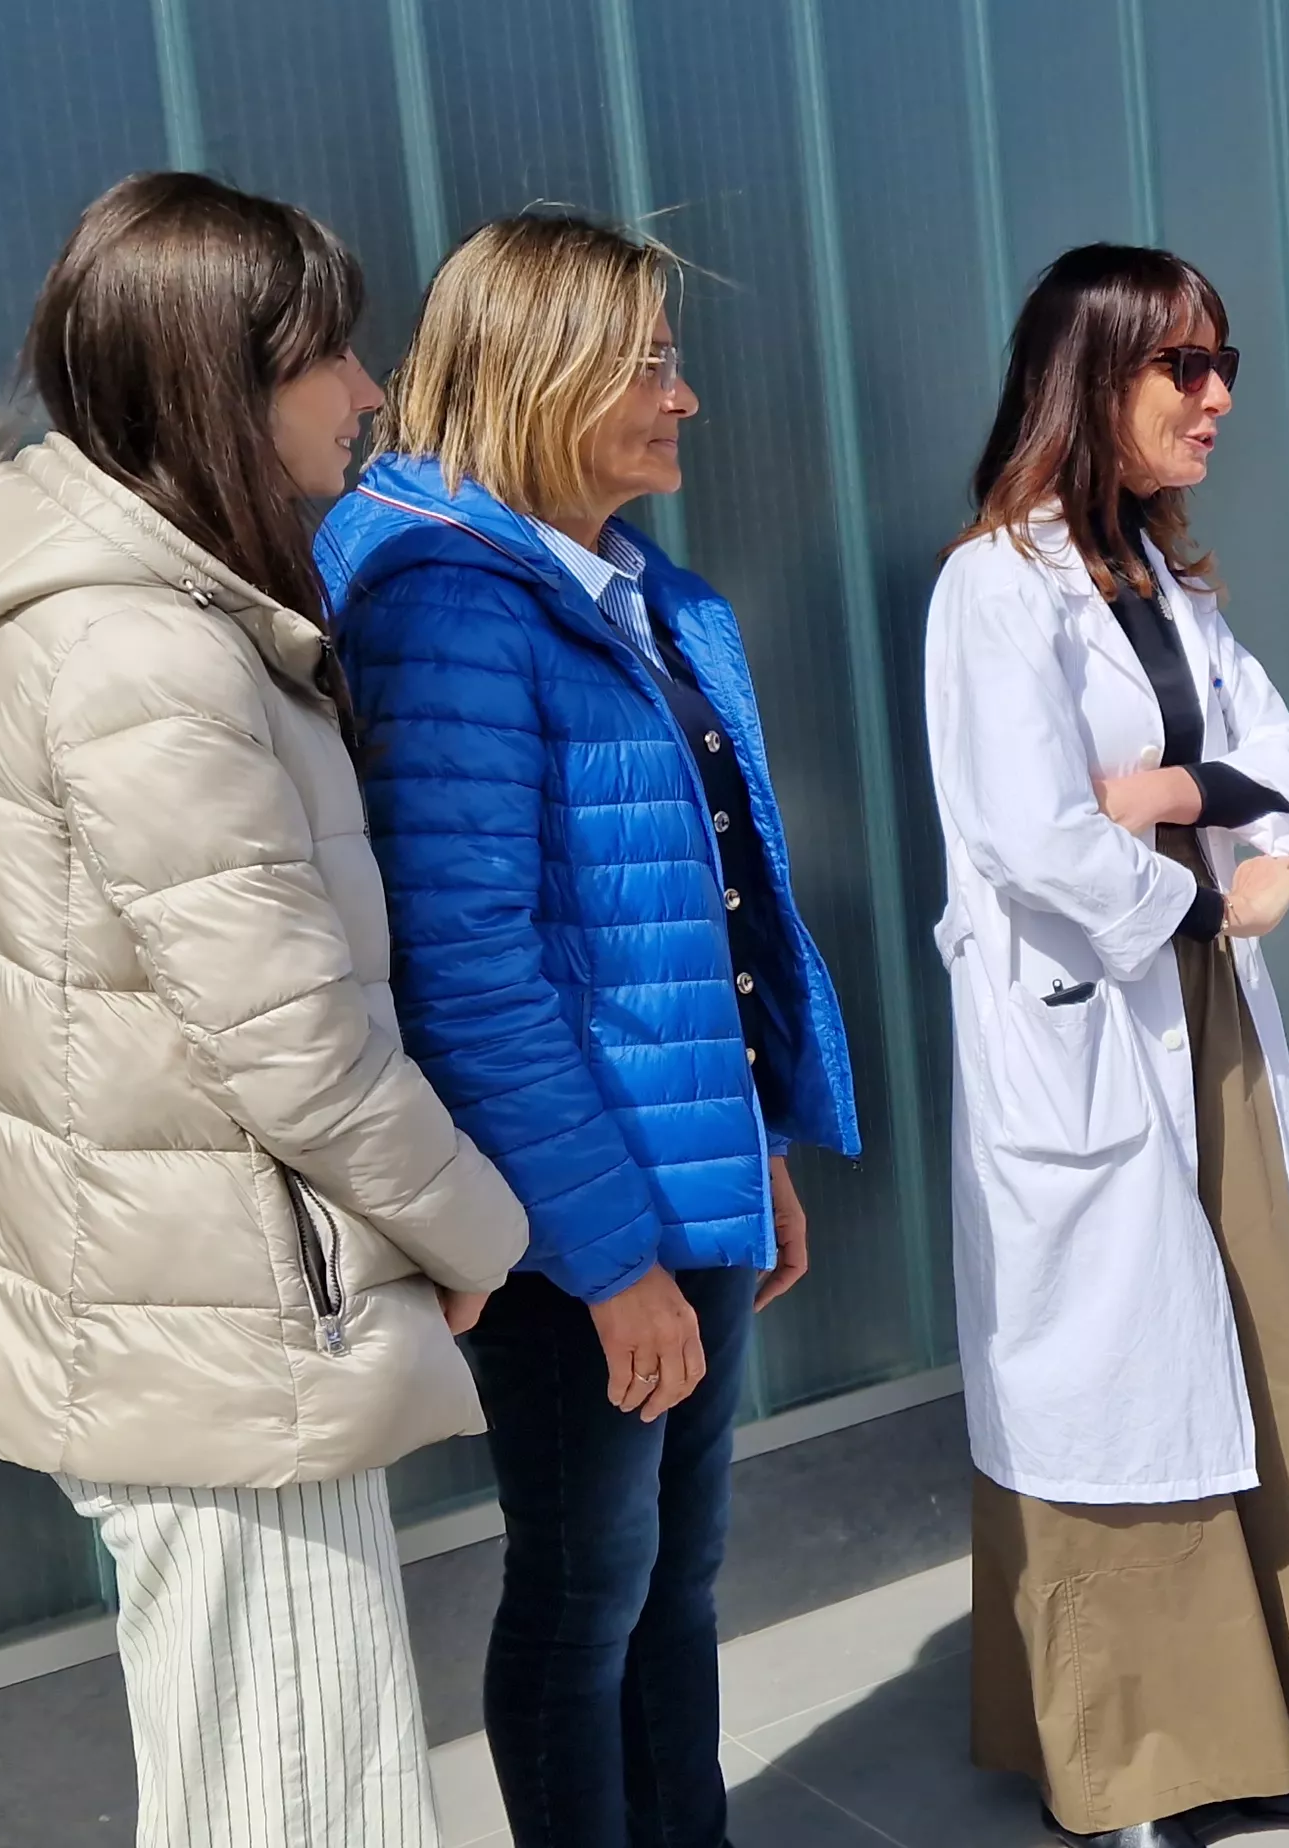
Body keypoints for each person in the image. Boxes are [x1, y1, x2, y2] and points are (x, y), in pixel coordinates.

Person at [0, 172, 530, 1848]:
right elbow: (291, 1037)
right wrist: (479, 1234)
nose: (369, 390)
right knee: (302, 1792)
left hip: (184, 1310)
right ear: (210, 384)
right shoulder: (142, 654)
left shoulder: (130, 617)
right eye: (329, 355)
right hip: (212, 1337)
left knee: (257, 1771)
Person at [319, 213, 862, 1847]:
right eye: (646, 361)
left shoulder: (640, 594)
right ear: (538, 371)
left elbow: (709, 922)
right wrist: (612, 1258)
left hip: (677, 1168)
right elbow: (470, 970)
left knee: (670, 1583)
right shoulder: (448, 605)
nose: (683, 397)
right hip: (575, 1216)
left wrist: (756, 1148)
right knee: (584, 1590)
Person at [923, 243, 1289, 1848]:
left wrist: (1185, 799)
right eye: (1182, 368)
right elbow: (1035, 834)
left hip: (1201, 998)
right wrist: (1203, 892)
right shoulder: (997, 584)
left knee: (1250, 1331)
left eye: (1222, 362)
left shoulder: (1170, 583)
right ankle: (1137, 1762)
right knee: (1114, 1372)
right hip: (1111, 1000)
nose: (1218, 399)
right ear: (1089, 378)